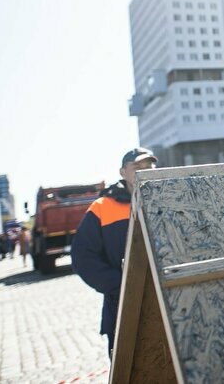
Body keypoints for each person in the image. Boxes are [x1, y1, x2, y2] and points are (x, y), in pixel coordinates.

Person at [71, 147, 157, 359]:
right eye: (137, 167)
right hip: (122, 308)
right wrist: (121, 285)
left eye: (149, 166)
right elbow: (83, 258)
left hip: (169, 301)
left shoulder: (169, 198)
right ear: (122, 172)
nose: (144, 171)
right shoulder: (102, 207)